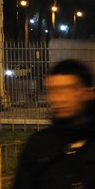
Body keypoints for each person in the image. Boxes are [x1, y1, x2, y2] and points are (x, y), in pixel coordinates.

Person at [12, 58, 95, 189]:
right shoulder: (39, 145)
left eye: (67, 89)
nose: (58, 99)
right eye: (53, 90)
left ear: (88, 93)